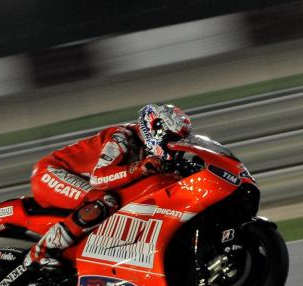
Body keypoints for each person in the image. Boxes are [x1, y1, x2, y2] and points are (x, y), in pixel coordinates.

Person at [24, 104, 192, 268]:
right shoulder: (120, 137)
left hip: (75, 178)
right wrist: (138, 169)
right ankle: (40, 252)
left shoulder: (147, 150)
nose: (175, 145)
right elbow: (99, 178)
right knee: (106, 200)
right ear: (156, 128)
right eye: (173, 138)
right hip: (51, 172)